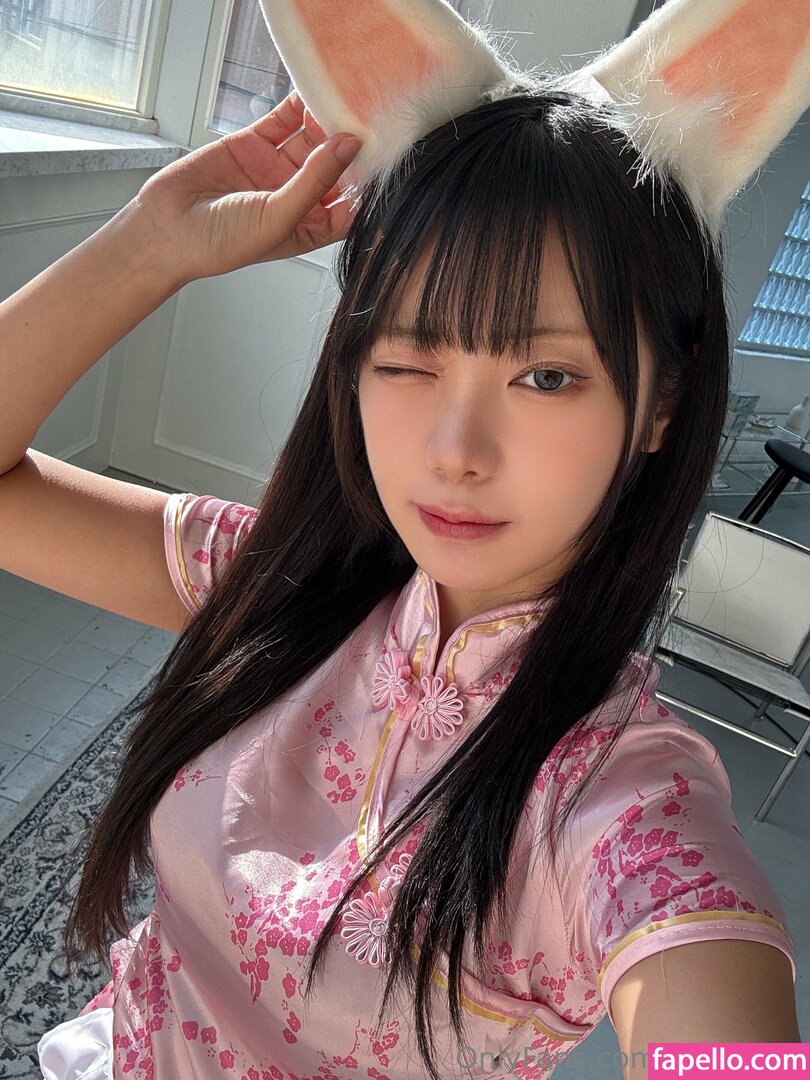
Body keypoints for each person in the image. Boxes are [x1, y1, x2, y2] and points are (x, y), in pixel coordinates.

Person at [0, 72, 800, 1080]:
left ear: (661, 409)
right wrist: (152, 245)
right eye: (408, 360)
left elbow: (722, 1032)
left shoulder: (618, 792)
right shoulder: (276, 586)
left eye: (546, 376)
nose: (454, 451)